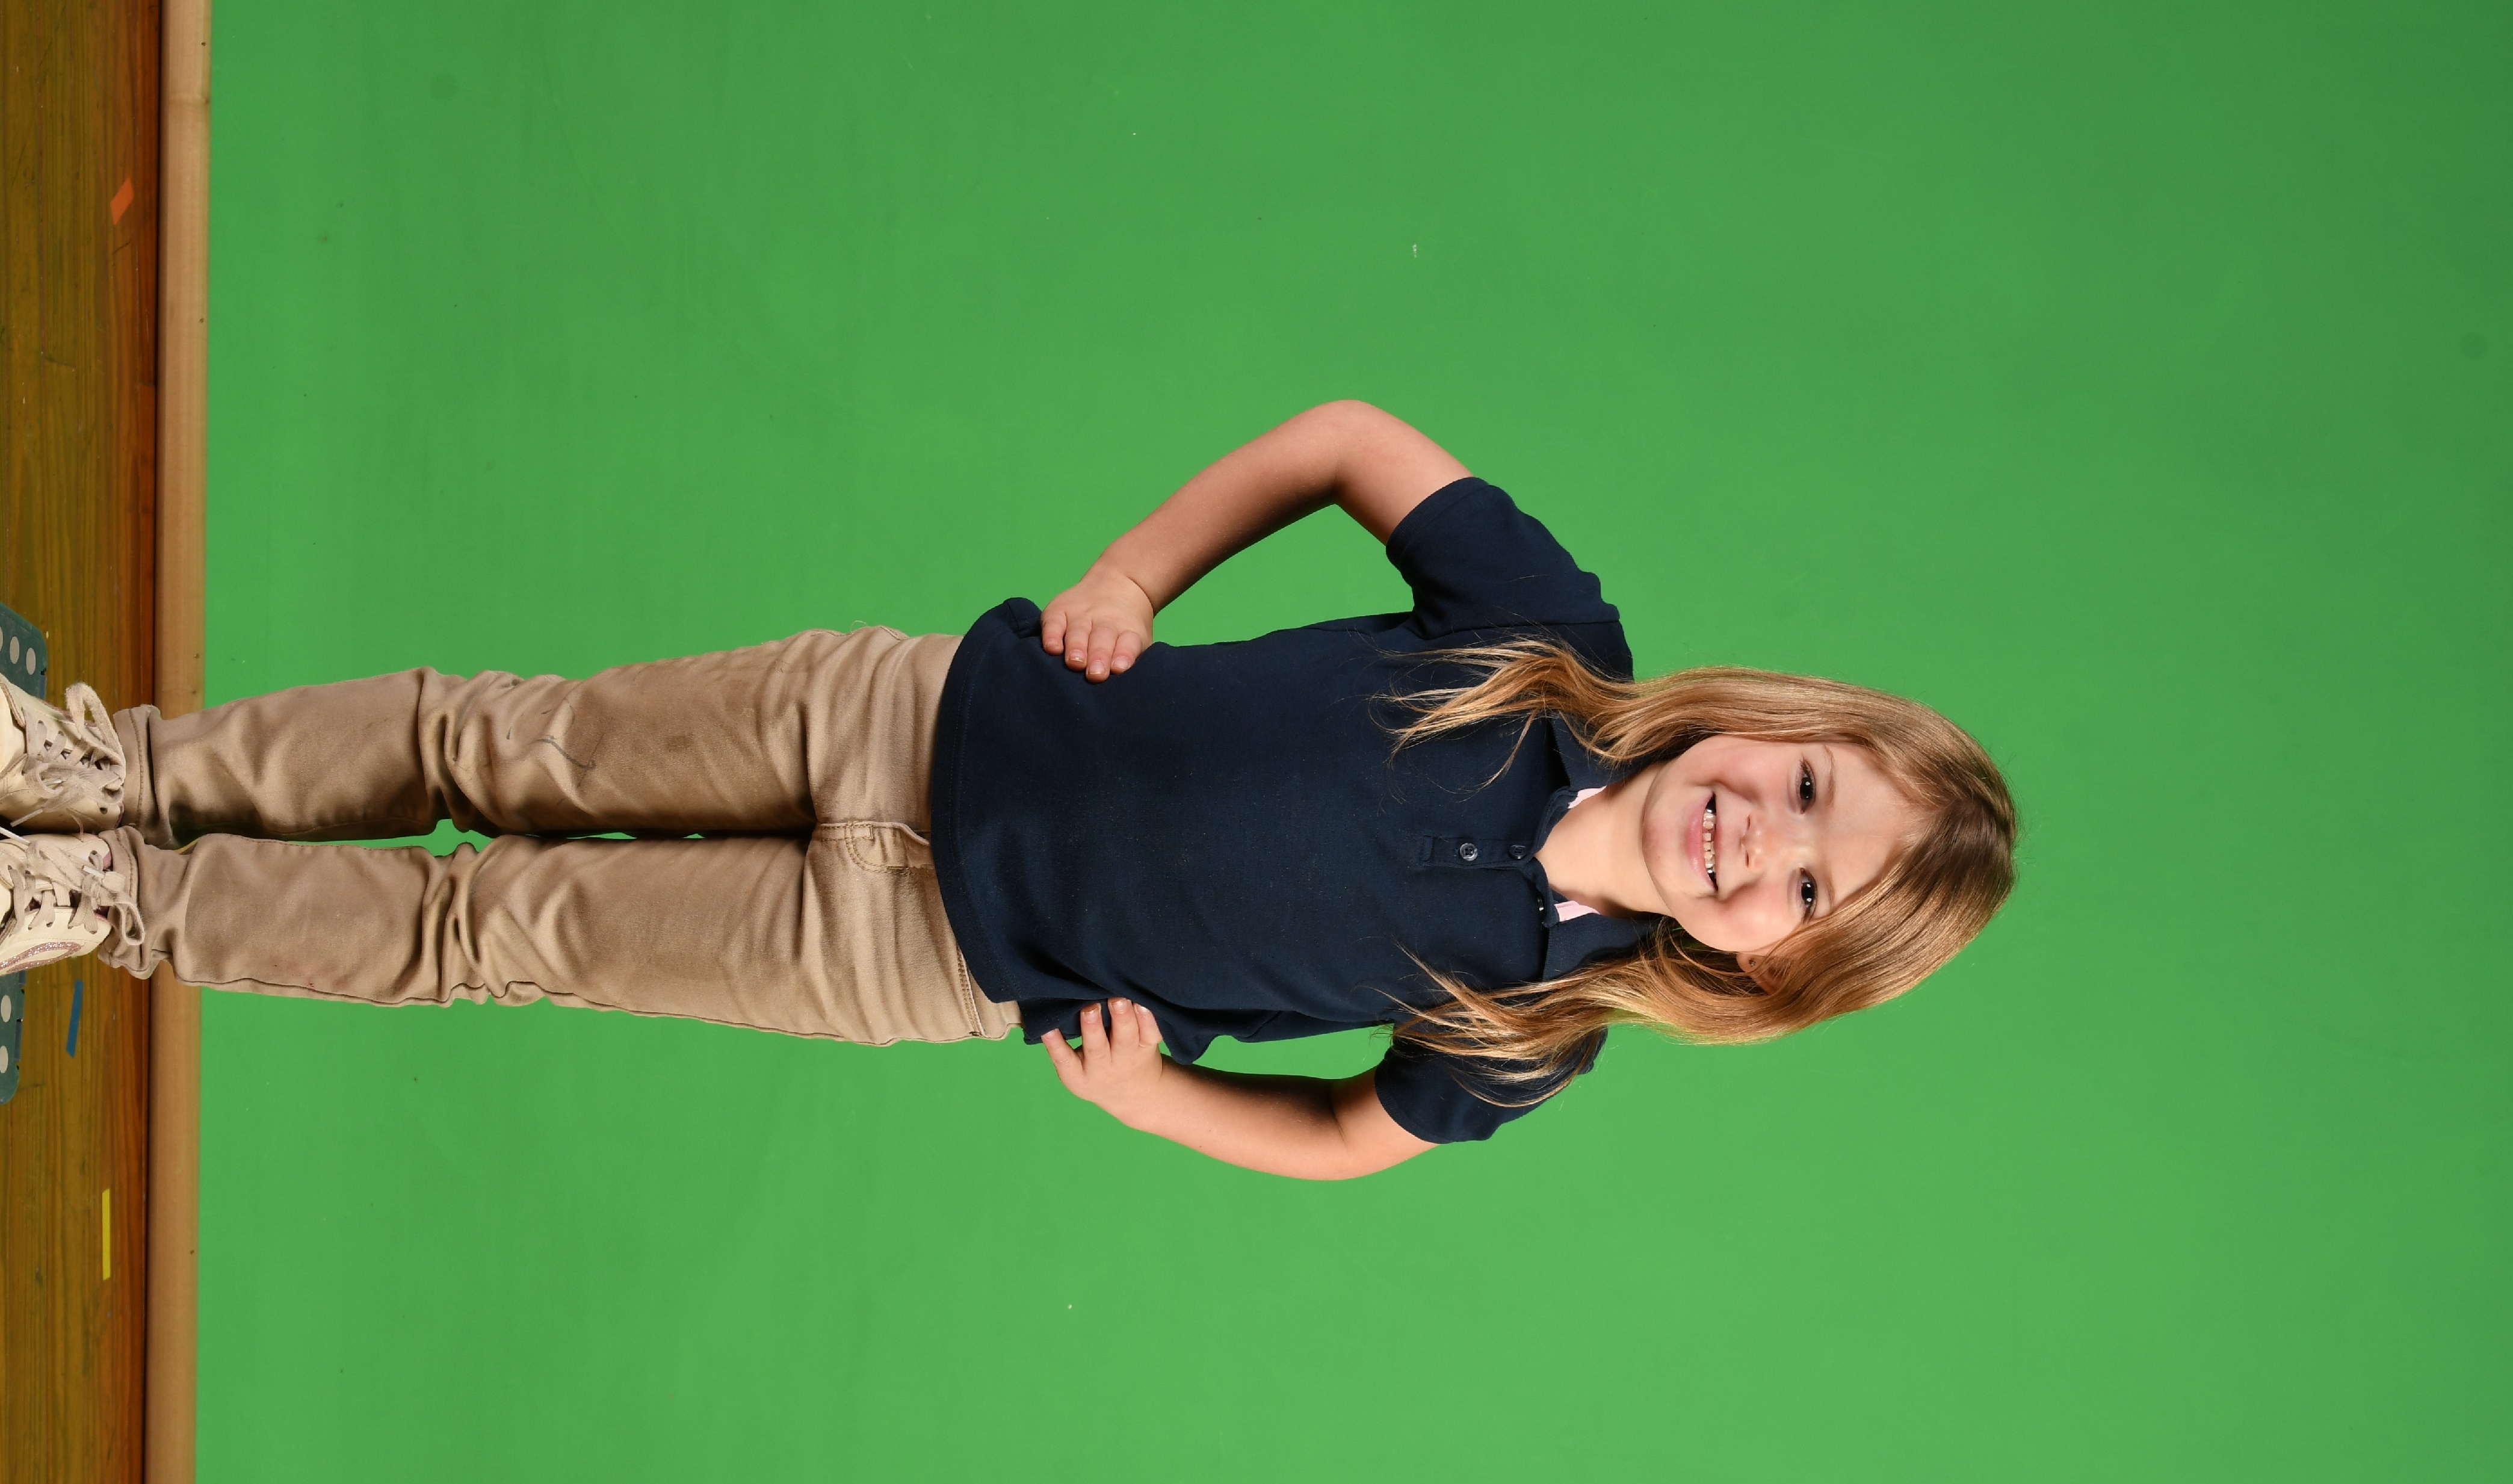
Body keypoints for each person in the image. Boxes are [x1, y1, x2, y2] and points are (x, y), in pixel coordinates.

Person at [0, 403, 2015, 1178]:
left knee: (495, 927)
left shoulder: (1531, 1031)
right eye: (1805, 786)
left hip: (912, 958)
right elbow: (1343, 439)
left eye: (1807, 884)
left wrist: (1158, 1099)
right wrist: (1132, 577)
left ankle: (114, 903)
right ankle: (110, 771)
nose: (1764, 837)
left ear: (1775, 967)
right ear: (1783, 720)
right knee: (494, 741)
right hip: (896, 716)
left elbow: (1348, 1140)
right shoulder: (1547, 636)